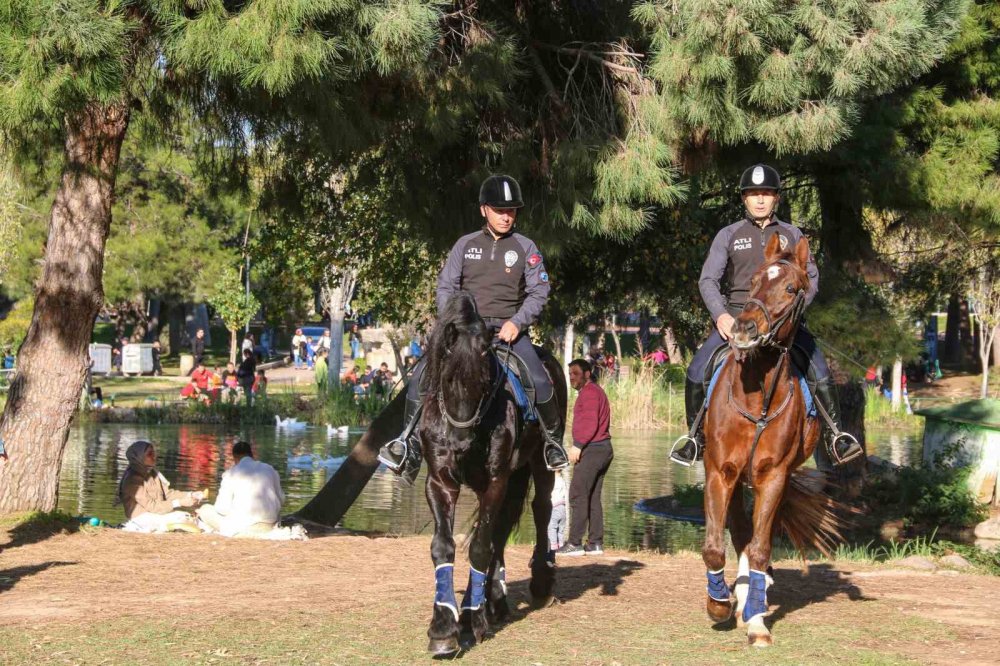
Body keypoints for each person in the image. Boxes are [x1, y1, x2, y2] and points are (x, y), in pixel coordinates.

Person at [670, 164, 863, 467]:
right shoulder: (729, 235)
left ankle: (835, 436)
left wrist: (790, 315)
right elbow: (708, 280)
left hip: (783, 321)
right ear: (744, 199)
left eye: (766, 194)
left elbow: (810, 279)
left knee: (821, 373)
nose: (760, 200)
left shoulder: (792, 234)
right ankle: (696, 439)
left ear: (776, 198)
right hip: (738, 320)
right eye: (753, 194)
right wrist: (721, 315)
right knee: (696, 371)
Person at [379, 174, 570, 479]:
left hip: (508, 332)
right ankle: (409, 445)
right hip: (466, 333)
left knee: (540, 380)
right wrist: (456, 322)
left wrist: (517, 322)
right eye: (499, 210)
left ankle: (552, 444)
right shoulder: (464, 245)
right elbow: (446, 287)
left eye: (511, 211)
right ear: (484, 209)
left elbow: (539, 292)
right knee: (419, 378)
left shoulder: (525, 246)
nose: (506, 217)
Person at [558, 359, 612, 556]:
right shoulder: (595, 391)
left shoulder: (589, 393)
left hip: (593, 448)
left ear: (587, 374)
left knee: (578, 495)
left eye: (576, 373)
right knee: (592, 496)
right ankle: (595, 542)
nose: (572, 377)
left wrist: (578, 445)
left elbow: (589, 422)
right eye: (570, 374)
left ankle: (574, 543)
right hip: (603, 448)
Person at [196, 441, 284, 537]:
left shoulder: (230, 473)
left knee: (204, 510)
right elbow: (281, 499)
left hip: (242, 528)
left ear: (235, 458)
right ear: (251, 455)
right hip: (269, 526)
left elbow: (222, 509)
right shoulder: (270, 469)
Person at [117, 440, 205, 532]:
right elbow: (152, 506)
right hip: (141, 519)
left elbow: (167, 494)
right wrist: (179, 503)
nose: (154, 456)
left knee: (192, 517)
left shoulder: (152, 473)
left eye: (154, 453)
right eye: (150, 454)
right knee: (183, 517)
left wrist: (190, 495)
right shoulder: (132, 480)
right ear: (139, 457)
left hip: (157, 514)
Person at [548, 468, 568, 551]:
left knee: (552, 527)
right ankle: (561, 545)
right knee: (561, 529)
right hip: (562, 507)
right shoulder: (563, 481)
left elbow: (550, 494)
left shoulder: (553, 481)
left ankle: (553, 546)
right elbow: (566, 494)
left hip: (554, 506)